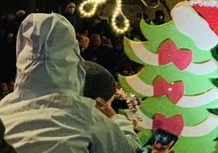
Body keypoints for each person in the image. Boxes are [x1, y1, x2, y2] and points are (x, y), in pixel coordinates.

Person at [0, 13, 137, 152]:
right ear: (73, 62)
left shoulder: (3, 110)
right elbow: (130, 149)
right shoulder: (86, 116)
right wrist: (116, 118)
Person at [83, 61, 141, 150]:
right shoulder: (97, 133)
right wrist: (114, 117)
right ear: (100, 104)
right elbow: (130, 148)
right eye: (110, 103)